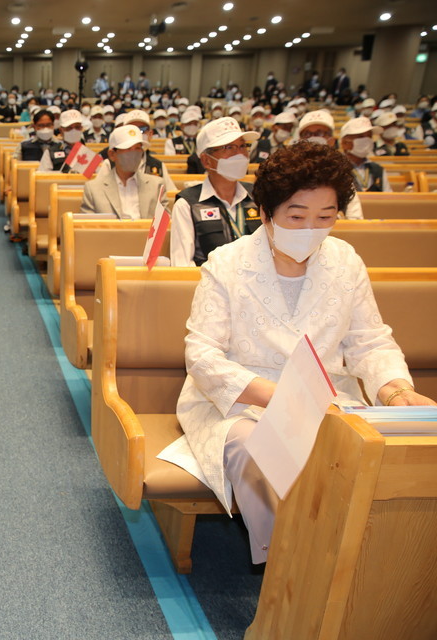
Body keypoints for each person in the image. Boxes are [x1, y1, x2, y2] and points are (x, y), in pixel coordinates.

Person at [176, 142, 435, 565]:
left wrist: (394, 391)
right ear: (266, 214)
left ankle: (362, 563)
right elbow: (202, 357)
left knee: (382, 446)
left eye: (325, 218)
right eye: (296, 217)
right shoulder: (226, 264)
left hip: (329, 399)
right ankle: (291, 569)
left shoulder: (346, 261)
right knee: (259, 445)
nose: (311, 229)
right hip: (241, 404)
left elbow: (370, 340)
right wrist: (281, 399)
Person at [170, 117, 259, 266]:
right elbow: (182, 266)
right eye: (229, 148)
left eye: (243, 146)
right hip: (212, 286)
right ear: (206, 160)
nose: (240, 154)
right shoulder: (188, 204)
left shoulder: (258, 196)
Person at [79, 125, 167, 219]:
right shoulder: (93, 189)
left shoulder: (157, 186)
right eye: (128, 149)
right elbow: (88, 228)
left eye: (137, 149)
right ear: (112, 155)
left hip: (146, 233)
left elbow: (165, 225)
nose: (134, 155)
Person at [340, 117, 391, 193]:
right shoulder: (335, 168)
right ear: (345, 143)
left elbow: (389, 197)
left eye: (369, 136)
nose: (367, 140)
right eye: (361, 136)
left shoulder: (378, 169)